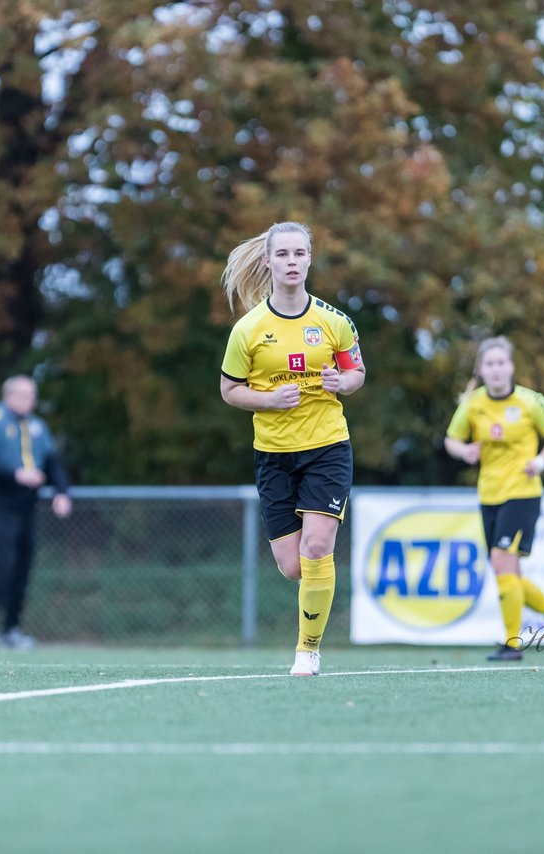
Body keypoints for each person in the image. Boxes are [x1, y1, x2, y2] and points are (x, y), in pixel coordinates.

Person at [219, 221, 366, 677]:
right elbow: (229, 390)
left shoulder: (334, 321)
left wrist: (341, 382)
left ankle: (308, 650)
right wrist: (266, 399)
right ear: (267, 261)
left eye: (299, 254)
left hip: (327, 446)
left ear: (309, 260)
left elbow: (357, 375)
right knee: (291, 565)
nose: (291, 262)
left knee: (318, 547)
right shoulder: (248, 329)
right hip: (275, 454)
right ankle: (315, 611)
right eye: (282, 254)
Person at [444, 336, 544, 661]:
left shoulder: (531, 401)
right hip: (489, 494)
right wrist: (465, 451)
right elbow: (451, 440)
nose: (497, 370)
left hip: (523, 494)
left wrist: (540, 462)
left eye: (502, 363)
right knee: (508, 572)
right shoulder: (472, 404)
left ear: (511, 367)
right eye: (490, 364)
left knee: (502, 561)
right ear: (482, 370)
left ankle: (513, 644)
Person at [0, 376, 72, 652]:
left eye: (33, 395)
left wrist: (62, 492)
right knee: (4, 563)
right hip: (1, 503)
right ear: (9, 396)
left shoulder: (38, 426)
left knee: (23, 566)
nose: (30, 401)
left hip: (28, 506)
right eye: (25, 395)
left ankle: (12, 628)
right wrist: (15, 474)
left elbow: (52, 463)